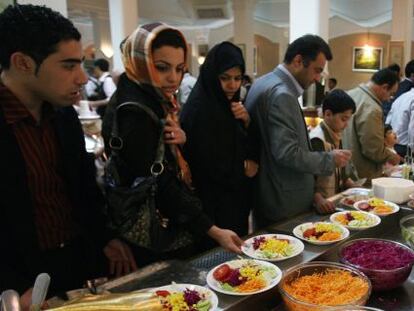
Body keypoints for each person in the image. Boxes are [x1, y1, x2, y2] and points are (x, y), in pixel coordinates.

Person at [0, 4, 136, 308]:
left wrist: (106, 238)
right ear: (22, 62)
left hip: (76, 263)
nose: (82, 78)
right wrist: (9, 287)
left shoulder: (62, 115)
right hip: (20, 281)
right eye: (68, 65)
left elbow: (84, 190)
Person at [102, 23, 243, 266]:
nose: (173, 78)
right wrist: (213, 230)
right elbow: (159, 182)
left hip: (171, 216)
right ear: (140, 61)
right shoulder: (135, 112)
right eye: (161, 68)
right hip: (154, 227)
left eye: (179, 69)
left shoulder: (154, 98)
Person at [245, 34, 351, 229]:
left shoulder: (263, 82)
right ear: (298, 61)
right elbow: (287, 153)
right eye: (317, 71)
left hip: (268, 192)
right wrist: (329, 159)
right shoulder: (282, 94)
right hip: (282, 199)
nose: (318, 78)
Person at [180, 42, 256, 250]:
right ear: (212, 76)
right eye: (225, 78)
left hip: (232, 202)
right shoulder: (198, 110)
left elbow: (242, 144)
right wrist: (241, 166)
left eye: (237, 78)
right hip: (211, 208)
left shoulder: (228, 106)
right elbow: (204, 163)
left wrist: (247, 121)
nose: (232, 85)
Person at [343, 68, 401, 183]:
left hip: (347, 168)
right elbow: (373, 149)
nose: (389, 98)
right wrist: (392, 157)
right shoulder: (372, 108)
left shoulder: (350, 94)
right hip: (363, 174)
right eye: (391, 93)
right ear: (384, 87)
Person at [310, 89, 356, 214]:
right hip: (320, 206)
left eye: (348, 120)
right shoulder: (317, 139)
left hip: (335, 200)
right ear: (328, 114)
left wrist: (359, 191)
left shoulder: (335, 133)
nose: (346, 125)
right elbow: (308, 180)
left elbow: (342, 174)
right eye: (343, 119)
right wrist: (318, 199)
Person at [385, 87, 414, 157]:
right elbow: (412, 128)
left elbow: (388, 121)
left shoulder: (401, 97)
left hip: (392, 144)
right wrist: (412, 149)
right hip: (407, 147)